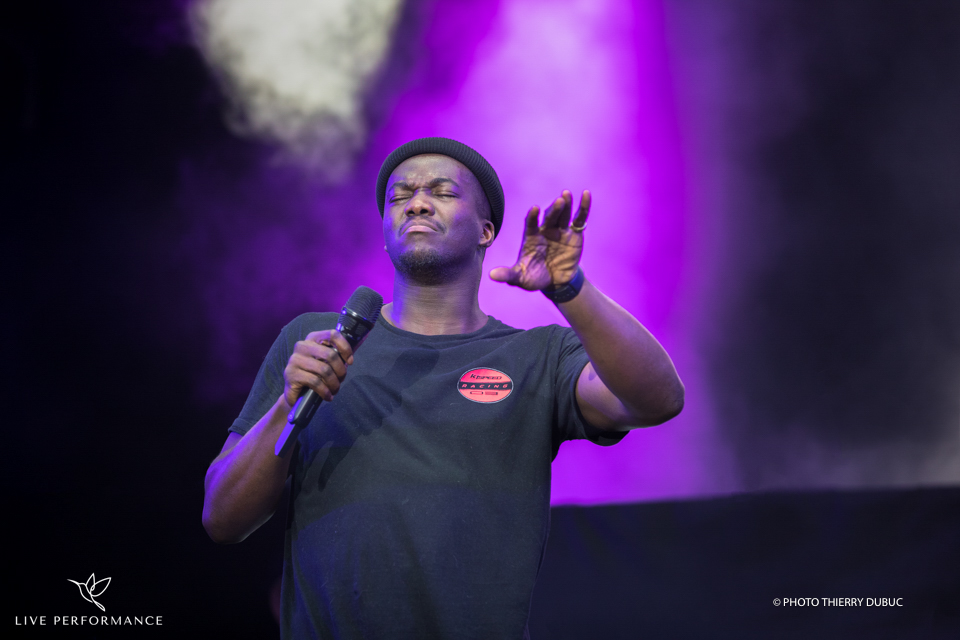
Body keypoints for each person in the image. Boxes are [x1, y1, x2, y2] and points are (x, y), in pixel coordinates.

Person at [202, 137, 684, 639]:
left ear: (486, 230)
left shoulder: (537, 355)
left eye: (442, 191)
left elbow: (659, 399)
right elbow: (222, 518)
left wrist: (569, 288)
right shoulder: (315, 343)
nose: (416, 203)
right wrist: (287, 405)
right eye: (400, 195)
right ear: (385, 231)